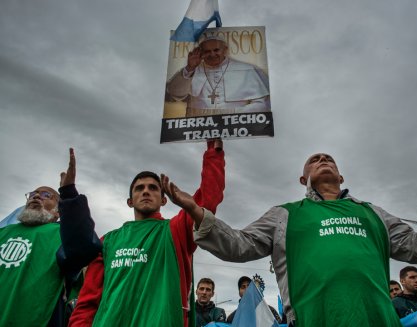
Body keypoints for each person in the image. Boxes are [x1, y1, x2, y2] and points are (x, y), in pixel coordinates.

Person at [163, 153, 417, 326]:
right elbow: (238, 244)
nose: (323, 160)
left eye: (328, 158)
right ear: (303, 179)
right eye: (314, 160)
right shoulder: (285, 214)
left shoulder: (371, 212)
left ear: (341, 175)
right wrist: (196, 211)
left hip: (379, 321)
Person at [69, 140, 225, 327]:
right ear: (130, 201)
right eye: (139, 188)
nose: (146, 192)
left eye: (153, 188)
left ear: (163, 200)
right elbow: (87, 301)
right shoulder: (108, 241)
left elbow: (207, 200)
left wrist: (213, 152)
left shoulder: (175, 231)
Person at [0, 148, 101, 326]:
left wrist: (69, 192)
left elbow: (85, 247)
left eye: (47, 195)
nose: (37, 196)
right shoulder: (4, 233)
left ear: (57, 212)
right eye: (33, 194)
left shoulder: (61, 234)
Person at [166, 35, 270, 117]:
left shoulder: (246, 69)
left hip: (236, 125)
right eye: (207, 51)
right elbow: (175, 94)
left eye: (216, 50)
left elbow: (263, 105)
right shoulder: (193, 69)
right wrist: (189, 68)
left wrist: (233, 114)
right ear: (201, 52)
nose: (212, 54)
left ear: (225, 49)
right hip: (199, 128)